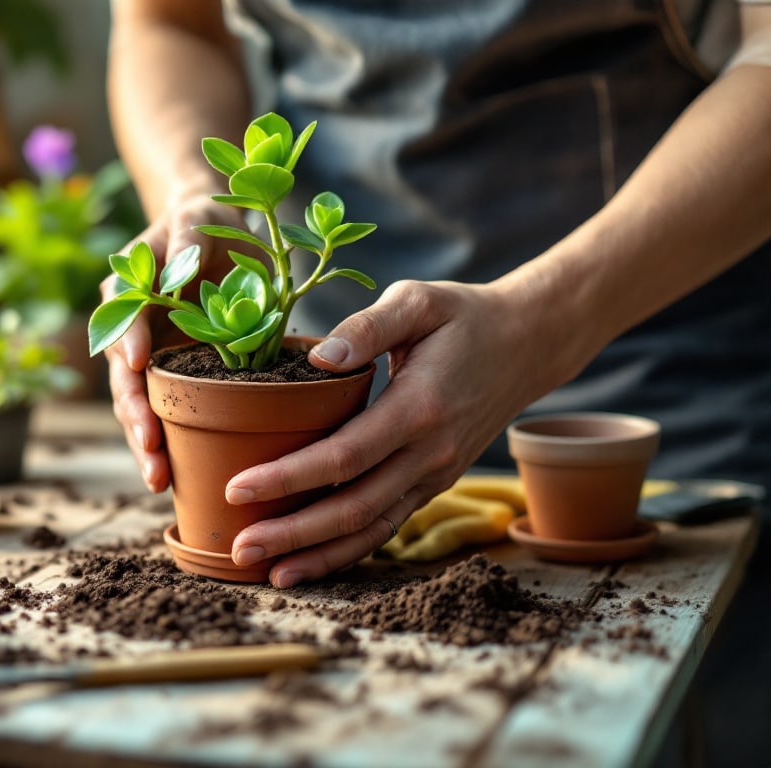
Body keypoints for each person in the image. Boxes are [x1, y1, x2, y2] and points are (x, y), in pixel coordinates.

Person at [105, 1, 770, 762]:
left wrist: (544, 323)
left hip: (657, 373)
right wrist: (197, 201)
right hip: (347, 392)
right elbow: (168, 23)